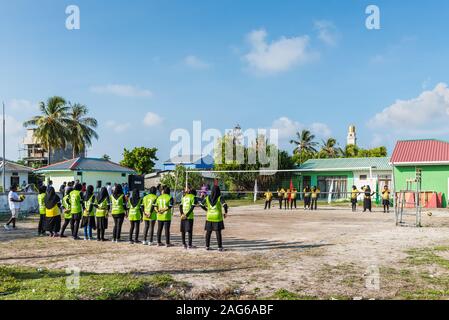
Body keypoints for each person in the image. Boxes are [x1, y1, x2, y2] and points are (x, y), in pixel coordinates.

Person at [200, 185, 228, 251]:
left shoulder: (207, 197)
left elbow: (201, 204)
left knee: (208, 232)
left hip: (209, 216)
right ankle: (219, 247)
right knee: (218, 232)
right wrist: (225, 212)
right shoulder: (220, 197)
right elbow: (225, 205)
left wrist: (207, 210)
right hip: (217, 217)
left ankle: (207, 246)